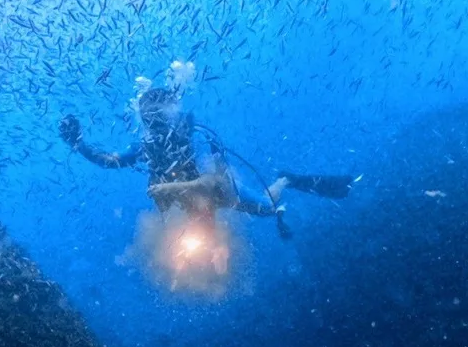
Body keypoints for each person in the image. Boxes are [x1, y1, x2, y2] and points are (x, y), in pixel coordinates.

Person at [58, 78, 353, 237]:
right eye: (148, 118)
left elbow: (214, 182)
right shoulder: (145, 145)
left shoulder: (193, 136)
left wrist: (168, 188)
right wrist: (79, 144)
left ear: (169, 112)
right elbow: (110, 160)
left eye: (157, 115)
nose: (153, 124)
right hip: (187, 204)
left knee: (267, 209)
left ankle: (286, 179)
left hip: (222, 190)